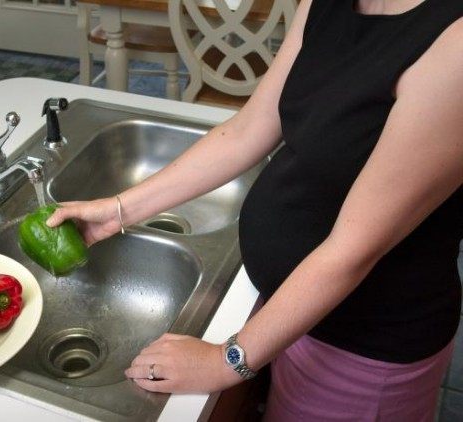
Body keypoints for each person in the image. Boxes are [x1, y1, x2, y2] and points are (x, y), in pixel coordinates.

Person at [46, 0, 463, 419]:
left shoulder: (454, 45)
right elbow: (247, 131)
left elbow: (352, 248)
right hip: (293, 316)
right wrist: (117, 210)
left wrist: (225, 361)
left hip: (364, 351)